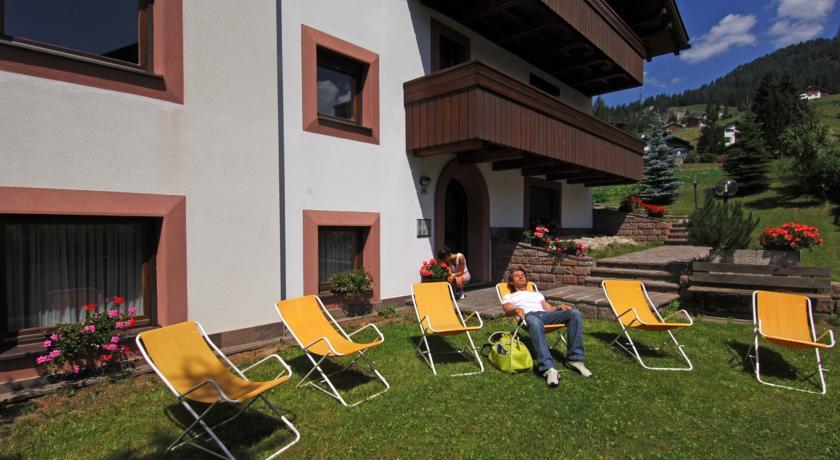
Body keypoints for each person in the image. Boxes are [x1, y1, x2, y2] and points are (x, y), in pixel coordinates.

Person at [501, 267, 592, 386]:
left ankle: (574, 359)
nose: (521, 276)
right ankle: (548, 368)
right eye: (517, 275)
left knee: (574, 313)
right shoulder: (509, 296)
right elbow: (507, 309)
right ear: (511, 282)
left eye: (522, 274)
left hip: (545, 315)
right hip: (528, 316)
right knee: (535, 322)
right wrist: (515, 310)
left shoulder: (536, 294)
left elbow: (548, 308)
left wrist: (559, 307)